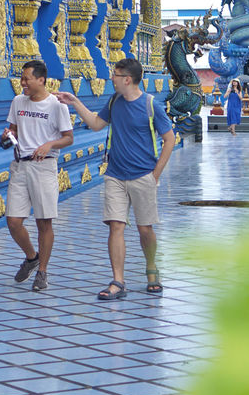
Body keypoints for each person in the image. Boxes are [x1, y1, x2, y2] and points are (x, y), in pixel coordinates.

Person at [57, 57, 175, 300]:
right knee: (116, 225)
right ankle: (118, 281)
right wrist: (75, 102)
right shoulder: (114, 102)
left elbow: (170, 139)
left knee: (145, 228)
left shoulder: (151, 105)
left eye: (116, 75)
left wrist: (155, 174)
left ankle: (151, 268)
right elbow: (96, 124)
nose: (112, 78)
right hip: (115, 175)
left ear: (128, 79)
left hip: (143, 175)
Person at [3, 60, 74, 292]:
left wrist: (49, 145)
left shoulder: (57, 106)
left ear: (41, 79)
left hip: (44, 167)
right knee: (13, 221)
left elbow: (68, 138)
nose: (22, 83)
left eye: (26, 79)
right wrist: (9, 134)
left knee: (44, 221)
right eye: (22, 79)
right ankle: (31, 257)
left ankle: (42, 271)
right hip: (20, 166)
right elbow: (12, 129)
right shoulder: (17, 101)